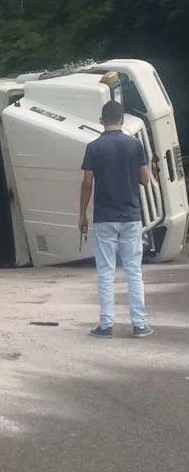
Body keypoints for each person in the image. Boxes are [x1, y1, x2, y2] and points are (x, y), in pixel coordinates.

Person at [79, 101, 153, 338]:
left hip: (104, 217)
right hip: (131, 216)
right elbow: (144, 180)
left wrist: (82, 214)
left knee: (105, 271)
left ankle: (105, 325)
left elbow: (87, 183)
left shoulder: (93, 147)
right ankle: (139, 325)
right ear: (121, 119)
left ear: (102, 121)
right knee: (133, 271)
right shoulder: (135, 145)